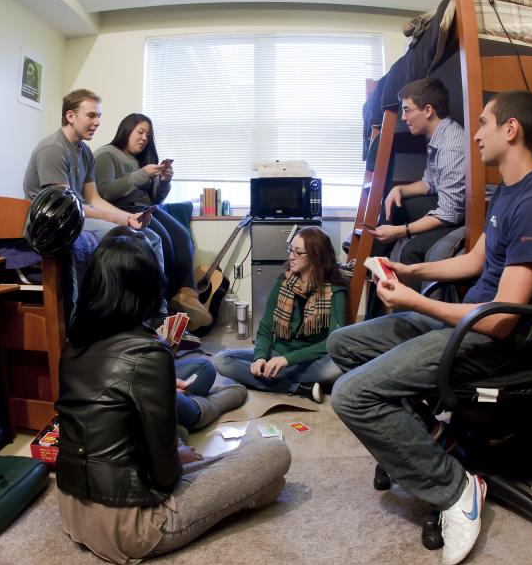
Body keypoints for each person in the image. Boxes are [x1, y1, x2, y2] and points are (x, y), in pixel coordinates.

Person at [328, 90, 532, 565]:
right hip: (469, 324)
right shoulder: (508, 193)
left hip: (492, 341)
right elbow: (475, 260)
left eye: (483, 123)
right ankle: (441, 442)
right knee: (343, 343)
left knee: (351, 395)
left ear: (511, 129)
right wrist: (409, 273)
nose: (474, 134)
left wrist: (416, 302)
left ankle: (455, 488)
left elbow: (500, 319)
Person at [53, 228, 291, 565]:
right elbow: (165, 477)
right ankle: (240, 491)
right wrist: (178, 458)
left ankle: (242, 488)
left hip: (72, 509)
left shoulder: (74, 344)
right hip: (133, 526)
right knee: (274, 454)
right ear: (148, 288)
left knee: (190, 439)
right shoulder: (149, 353)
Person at [22, 89, 165, 286]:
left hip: (78, 215)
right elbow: (66, 209)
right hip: (55, 222)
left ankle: (156, 302)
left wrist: (128, 217)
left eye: (99, 116)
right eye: (91, 115)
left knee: (153, 238)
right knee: (135, 240)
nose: (97, 122)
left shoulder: (85, 152)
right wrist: (120, 219)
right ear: (70, 116)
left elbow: (94, 199)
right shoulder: (53, 149)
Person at [93, 113, 211, 329]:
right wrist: (142, 174)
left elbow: (155, 198)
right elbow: (103, 192)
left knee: (182, 236)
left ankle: (187, 295)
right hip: (123, 210)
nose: (144, 138)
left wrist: (164, 182)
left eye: (148, 135)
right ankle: (163, 305)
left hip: (148, 207)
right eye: (140, 132)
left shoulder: (143, 159)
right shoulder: (106, 154)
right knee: (163, 240)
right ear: (126, 130)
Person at [213, 226, 345, 403]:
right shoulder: (283, 282)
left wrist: (287, 360)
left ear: (317, 256)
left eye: (298, 252)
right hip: (276, 353)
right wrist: (260, 357)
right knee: (221, 360)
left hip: (311, 360)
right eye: (291, 250)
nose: (291, 256)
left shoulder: (335, 290)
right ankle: (297, 386)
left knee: (336, 369)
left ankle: (271, 378)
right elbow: (265, 328)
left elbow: (333, 342)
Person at [364, 77, 468, 266]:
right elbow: (429, 182)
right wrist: (400, 189)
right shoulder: (436, 136)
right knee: (395, 204)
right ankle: (374, 265)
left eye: (407, 110)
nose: (403, 118)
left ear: (428, 110)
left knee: (410, 251)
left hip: (460, 213)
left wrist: (402, 231)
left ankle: (373, 266)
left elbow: (450, 213)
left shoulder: (451, 147)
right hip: (446, 203)